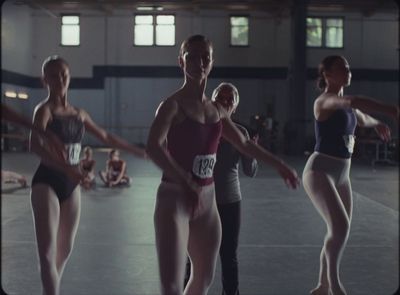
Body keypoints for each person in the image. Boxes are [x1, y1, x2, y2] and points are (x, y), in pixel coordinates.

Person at [146, 34, 300, 295]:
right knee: (171, 286)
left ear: (212, 62)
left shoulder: (216, 110)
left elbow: (244, 143)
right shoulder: (171, 106)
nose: (199, 62)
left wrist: (280, 165)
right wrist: (184, 179)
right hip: (174, 199)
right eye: (191, 56)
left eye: (205, 56)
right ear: (181, 62)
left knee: (203, 278)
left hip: (207, 201)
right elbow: (153, 147)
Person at [29, 55, 146, 295]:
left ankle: (49, 290)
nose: (60, 79)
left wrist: (136, 150)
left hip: (71, 184)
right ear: (45, 80)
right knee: (48, 251)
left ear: (69, 77)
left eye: (64, 74)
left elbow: (104, 136)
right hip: (47, 182)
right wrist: (67, 168)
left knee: (65, 249)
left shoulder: (79, 113)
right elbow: (35, 145)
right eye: (53, 75)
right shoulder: (44, 110)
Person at [302, 55, 399, 295]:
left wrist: (377, 123)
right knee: (340, 228)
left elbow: (361, 117)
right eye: (341, 68)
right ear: (327, 75)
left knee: (337, 230)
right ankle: (335, 285)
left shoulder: (349, 107)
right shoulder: (324, 101)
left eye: (348, 67)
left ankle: (322, 285)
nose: (348, 70)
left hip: (342, 175)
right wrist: (391, 110)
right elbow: (352, 100)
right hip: (320, 171)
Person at [183, 82, 258, 295]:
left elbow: (250, 171)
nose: (225, 102)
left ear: (235, 106)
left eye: (230, 100)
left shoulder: (241, 132)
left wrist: (251, 150)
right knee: (193, 257)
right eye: (221, 97)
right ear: (212, 99)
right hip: (201, 200)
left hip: (229, 201)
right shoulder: (200, 126)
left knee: (228, 255)